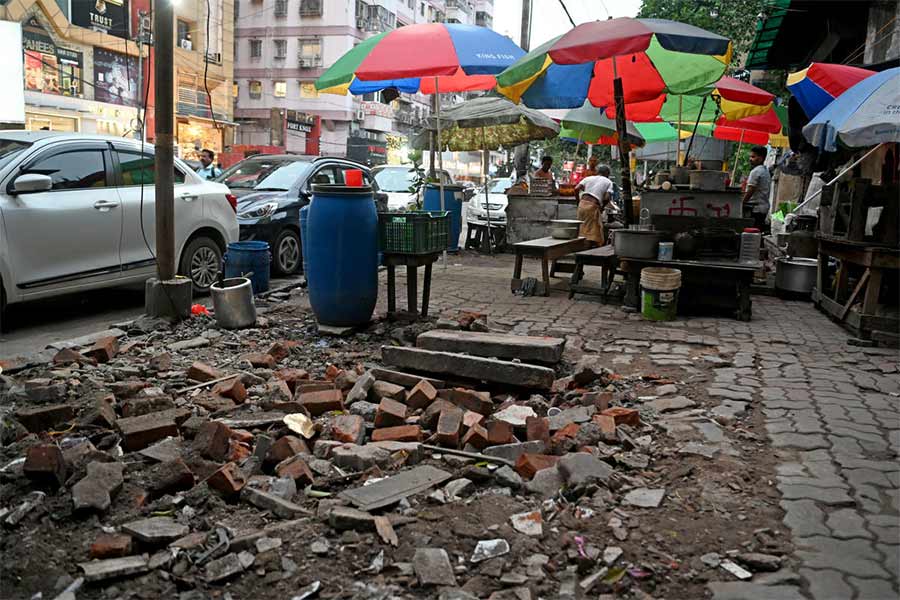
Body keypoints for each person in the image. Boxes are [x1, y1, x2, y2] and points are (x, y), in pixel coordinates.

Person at [574, 164, 614, 246]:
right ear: (607, 174)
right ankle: (586, 254)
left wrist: (578, 202)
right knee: (590, 233)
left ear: (598, 172)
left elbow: (576, 188)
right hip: (592, 207)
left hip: (582, 205)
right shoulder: (608, 182)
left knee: (582, 230)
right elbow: (607, 198)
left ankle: (583, 251)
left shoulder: (588, 178)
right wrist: (602, 207)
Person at [742, 145, 771, 231]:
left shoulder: (755, 172)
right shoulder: (765, 171)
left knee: (752, 232)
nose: (750, 159)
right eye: (750, 156)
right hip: (763, 208)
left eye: (753, 157)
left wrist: (742, 203)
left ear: (761, 158)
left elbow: (751, 190)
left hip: (755, 209)